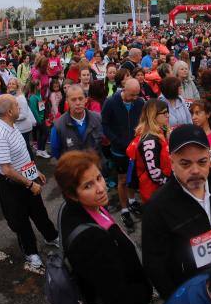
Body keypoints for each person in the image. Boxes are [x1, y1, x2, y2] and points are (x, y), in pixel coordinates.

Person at [54, 150, 152, 304]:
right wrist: (144, 294)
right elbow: (116, 295)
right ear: (72, 194)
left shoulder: (87, 207)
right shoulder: (89, 239)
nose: (100, 188)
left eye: (99, 178)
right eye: (88, 185)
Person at [141, 124, 211, 299]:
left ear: (209, 159)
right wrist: (176, 300)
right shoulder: (157, 207)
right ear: (172, 162)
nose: (195, 171)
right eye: (185, 163)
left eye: (202, 162)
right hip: (190, 292)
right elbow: (155, 264)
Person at [0, 94, 58, 269]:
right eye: (17, 106)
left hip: (28, 178)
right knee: (21, 222)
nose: (20, 108)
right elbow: (6, 169)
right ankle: (31, 253)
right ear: (10, 111)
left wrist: (36, 171)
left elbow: (22, 156)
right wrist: (29, 184)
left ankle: (51, 237)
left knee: (39, 212)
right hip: (13, 187)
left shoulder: (13, 127)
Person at [101, 78, 144, 232]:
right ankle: (124, 209)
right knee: (123, 179)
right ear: (124, 89)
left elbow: (143, 121)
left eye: (136, 95)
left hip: (135, 148)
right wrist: (115, 140)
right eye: (132, 95)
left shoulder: (139, 102)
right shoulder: (111, 102)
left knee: (134, 177)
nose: (134, 98)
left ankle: (132, 200)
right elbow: (104, 124)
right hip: (119, 150)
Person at [126, 99, 171, 203]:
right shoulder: (150, 140)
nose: (168, 115)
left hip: (162, 190)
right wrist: (171, 183)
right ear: (153, 115)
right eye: (164, 113)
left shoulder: (160, 132)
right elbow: (154, 173)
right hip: (155, 193)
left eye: (168, 112)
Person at [49, 84, 104, 159]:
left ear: (86, 99)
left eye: (80, 98)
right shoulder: (58, 126)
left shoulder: (98, 119)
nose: (78, 103)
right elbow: (56, 154)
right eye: (73, 100)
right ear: (67, 101)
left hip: (94, 168)